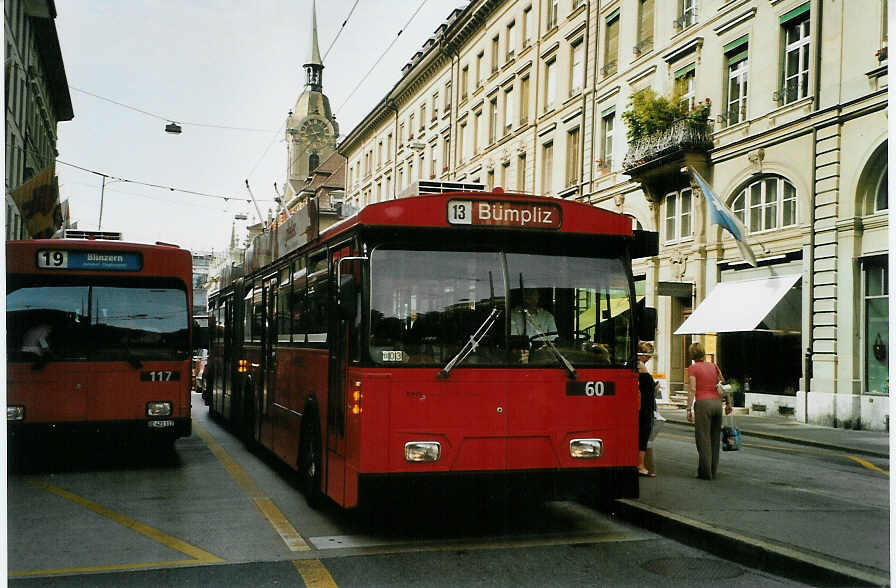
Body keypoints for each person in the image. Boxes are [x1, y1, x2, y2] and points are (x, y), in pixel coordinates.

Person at [686, 342, 732, 480]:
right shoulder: (714, 366)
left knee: (703, 438)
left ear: (692, 355)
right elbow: (724, 385)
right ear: (703, 353)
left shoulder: (693, 368)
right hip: (717, 404)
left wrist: (688, 408)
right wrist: (728, 403)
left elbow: (693, 389)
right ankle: (713, 469)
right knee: (714, 438)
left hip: (703, 405)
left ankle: (705, 472)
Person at [510, 288, 558, 363]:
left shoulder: (547, 316)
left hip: (544, 360)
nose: (530, 296)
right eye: (527, 293)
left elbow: (554, 342)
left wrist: (540, 352)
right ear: (522, 295)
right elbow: (513, 344)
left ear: (538, 296)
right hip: (520, 361)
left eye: (533, 293)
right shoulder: (512, 316)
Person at [637, 341, 656, 477]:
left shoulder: (637, 365)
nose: (649, 359)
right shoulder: (640, 366)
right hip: (644, 406)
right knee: (643, 435)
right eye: (648, 356)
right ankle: (640, 465)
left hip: (641, 404)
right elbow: (646, 387)